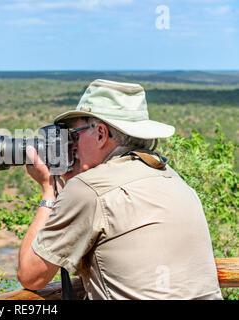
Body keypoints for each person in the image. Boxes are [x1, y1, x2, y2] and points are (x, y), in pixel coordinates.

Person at [17, 79, 222, 300]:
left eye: (75, 135)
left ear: (101, 134)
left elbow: (31, 275)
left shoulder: (89, 189)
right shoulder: (171, 176)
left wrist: (50, 190)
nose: (72, 145)